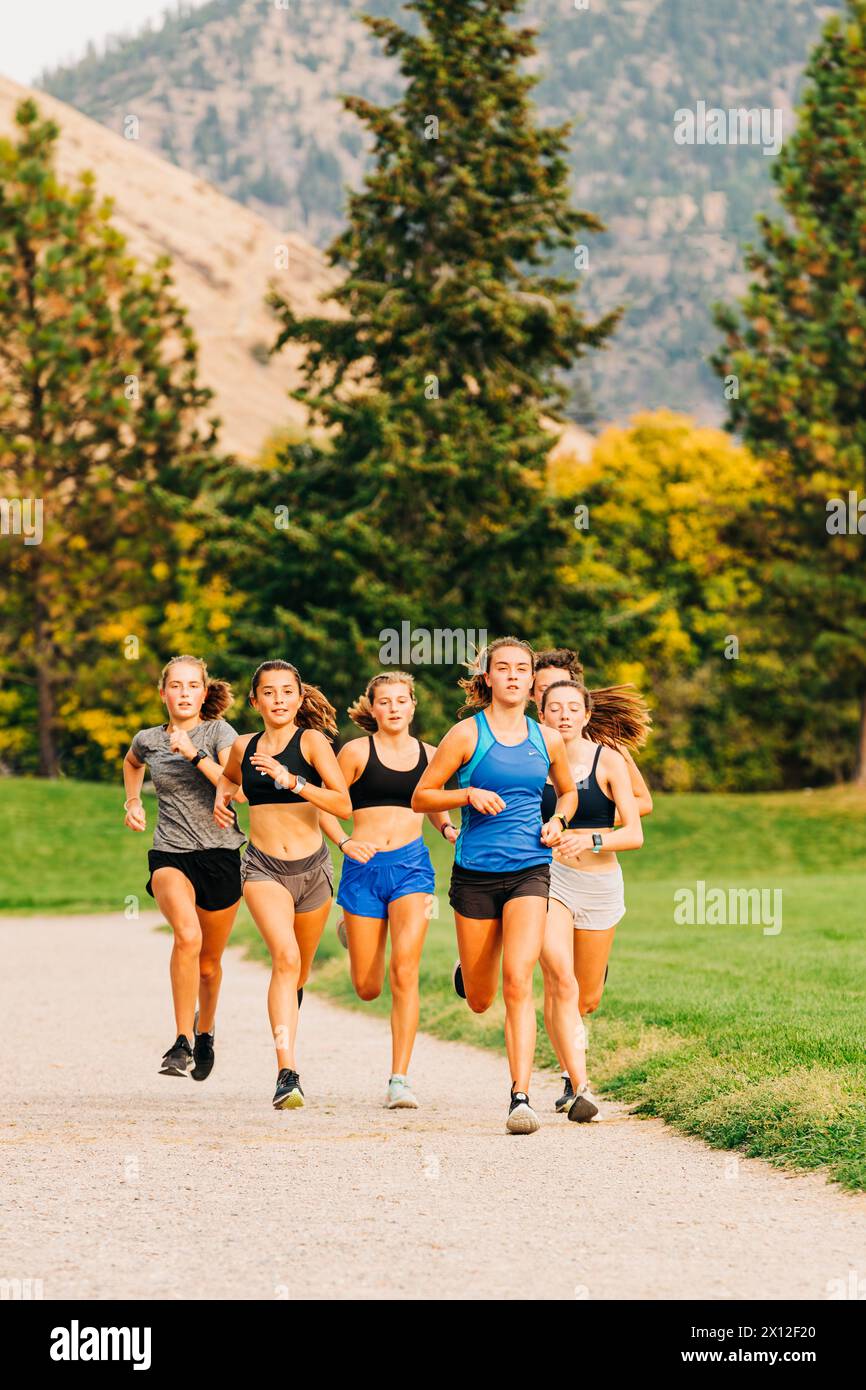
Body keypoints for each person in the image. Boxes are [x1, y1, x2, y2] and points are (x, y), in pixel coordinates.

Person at [412, 637, 579, 1135]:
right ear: (486, 677)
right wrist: (468, 793)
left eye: (521, 669)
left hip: (531, 868)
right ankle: (469, 969)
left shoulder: (545, 738)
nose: (511, 675)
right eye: (501, 668)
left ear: (532, 680)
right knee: (482, 997)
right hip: (475, 875)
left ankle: (519, 1096)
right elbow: (422, 796)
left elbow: (566, 793)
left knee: (518, 981)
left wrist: (559, 822)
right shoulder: (466, 734)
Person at [213, 661, 351, 1110]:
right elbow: (230, 780)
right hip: (262, 868)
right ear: (254, 701)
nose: (278, 699)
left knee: (298, 974)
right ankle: (286, 1072)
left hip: (314, 871)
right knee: (285, 958)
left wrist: (293, 780)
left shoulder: (311, 742)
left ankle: (287, 1019)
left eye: (286, 691)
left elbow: (343, 802)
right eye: (268, 692)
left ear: (298, 698)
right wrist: (222, 798)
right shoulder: (242, 746)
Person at [319, 672, 457, 1109]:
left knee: (405, 971)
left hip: (412, 869)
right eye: (385, 701)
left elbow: (432, 802)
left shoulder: (431, 756)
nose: (394, 708)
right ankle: (351, 927)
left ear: (413, 706)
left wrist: (449, 827)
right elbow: (324, 807)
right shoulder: (356, 753)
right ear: (373, 709)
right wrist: (343, 841)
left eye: (402, 700)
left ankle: (400, 1078)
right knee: (366, 987)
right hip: (362, 869)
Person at [123, 654, 245, 1081]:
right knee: (186, 936)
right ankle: (180, 1041)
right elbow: (132, 762)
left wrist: (195, 755)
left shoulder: (218, 732)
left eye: (193, 685)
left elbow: (239, 788)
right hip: (171, 854)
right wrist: (133, 800)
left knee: (209, 964)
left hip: (221, 855)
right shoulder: (148, 739)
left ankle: (205, 1030)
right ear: (163, 692)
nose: (184, 693)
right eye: (176, 685)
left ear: (204, 691)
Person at [538, 676, 650, 1115]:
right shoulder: (531, 761)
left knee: (586, 998)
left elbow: (635, 832)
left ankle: (574, 1074)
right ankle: (580, 1087)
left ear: (586, 716)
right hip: (550, 880)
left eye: (572, 708)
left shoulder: (608, 762)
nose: (563, 715)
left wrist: (593, 841)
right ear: (541, 714)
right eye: (554, 708)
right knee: (560, 982)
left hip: (601, 886)